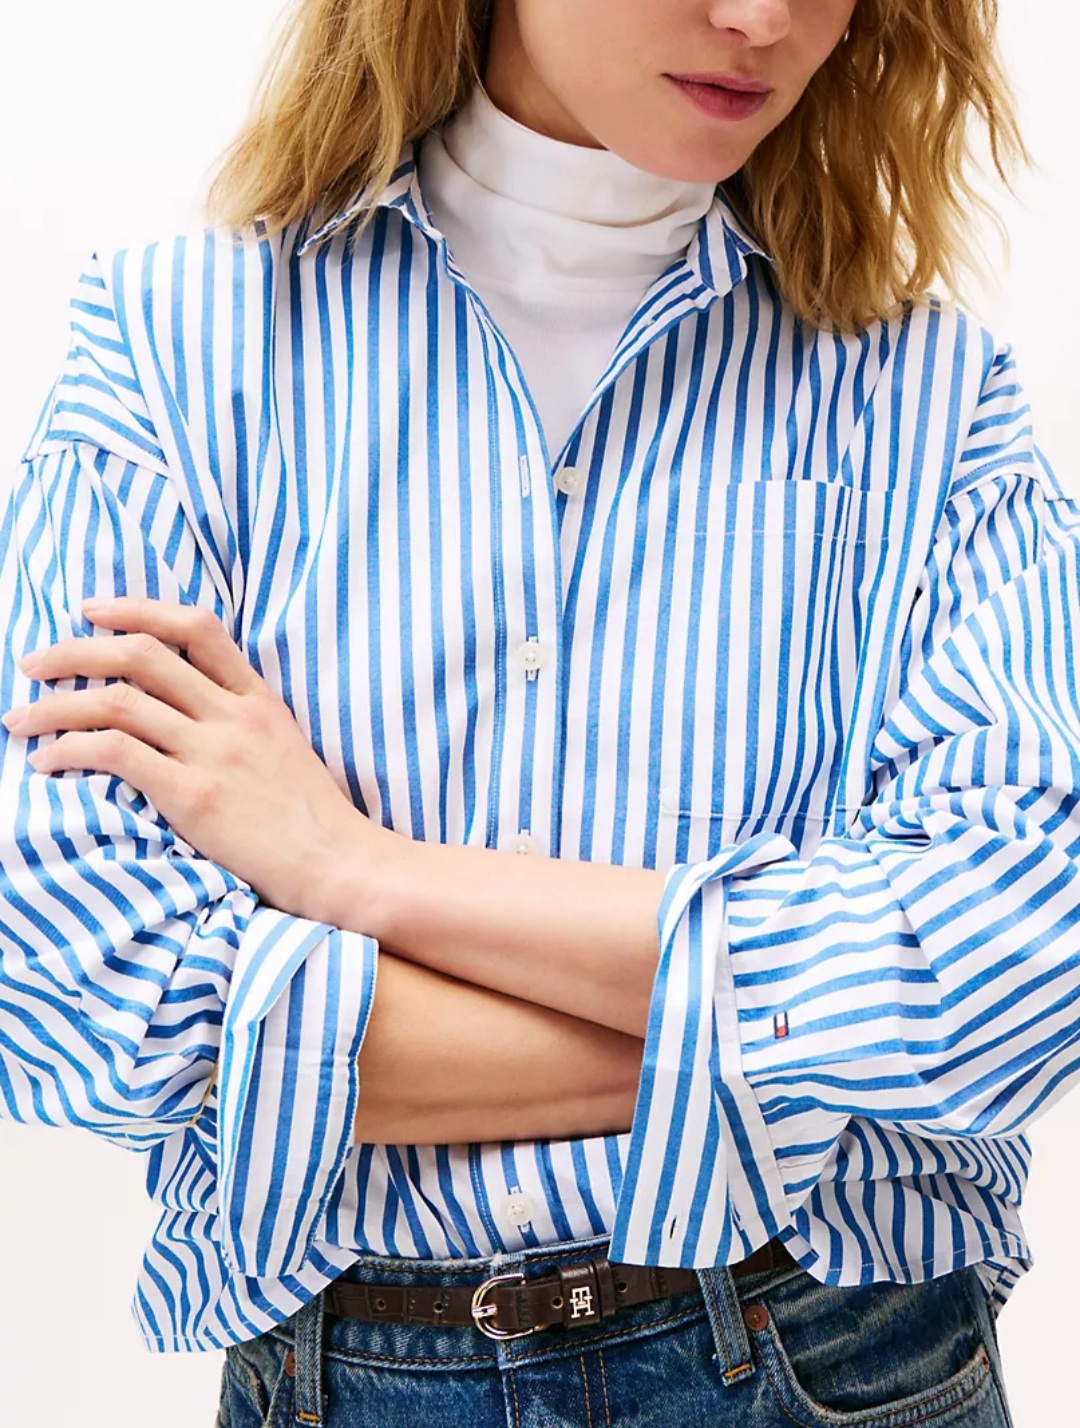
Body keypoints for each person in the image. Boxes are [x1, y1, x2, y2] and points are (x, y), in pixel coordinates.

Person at [1, 0, 1078, 1423]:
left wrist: (356, 871)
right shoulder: (176, 348)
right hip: (346, 1382)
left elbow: (1017, 961)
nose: (759, 17)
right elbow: (70, 991)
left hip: (831, 1365)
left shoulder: (931, 398)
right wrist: (793, 1036)